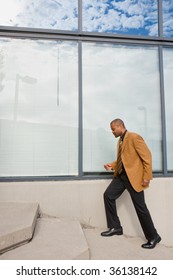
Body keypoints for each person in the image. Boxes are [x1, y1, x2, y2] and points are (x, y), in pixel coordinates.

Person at [101, 118, 161, 249]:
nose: (112, 132)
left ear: (120, 126)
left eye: (113, 129)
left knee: (141, 208)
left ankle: (153, 236)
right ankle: (115, 227)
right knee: (108, 196)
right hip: (121, 177)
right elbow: (124, 160)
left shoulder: (134, 137)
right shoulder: (120, 141)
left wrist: (147, 177)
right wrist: (112, 165)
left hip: (134, 179)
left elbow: (147, 157)